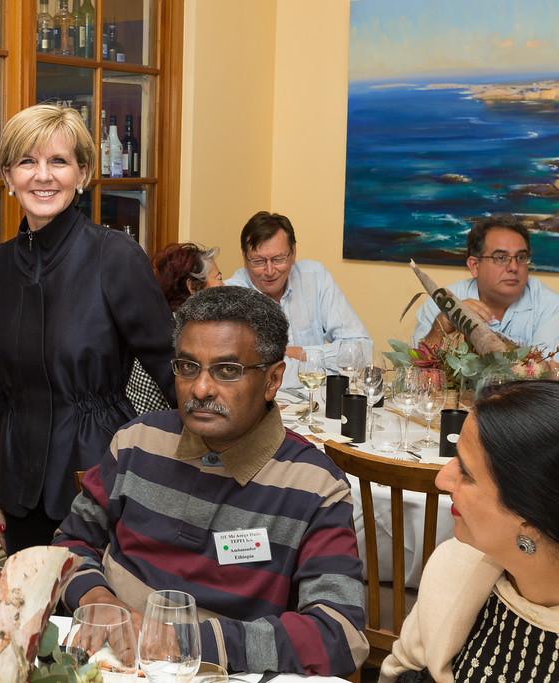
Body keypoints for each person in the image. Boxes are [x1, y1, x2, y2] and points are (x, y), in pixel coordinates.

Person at [54, 286, 368, 676]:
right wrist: (96, 597)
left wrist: (183, 640)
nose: (200, 388)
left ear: (273, 380)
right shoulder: (136, 442)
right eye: (188, 367)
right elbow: (69, 544)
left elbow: (338, 634)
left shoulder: (314, 486)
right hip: (108, 662)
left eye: (227, 370)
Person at [0, 103, 176, 554]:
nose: (42, 176)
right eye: (27, 161)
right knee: (32, 615)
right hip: (20, 477)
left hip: (99, 469)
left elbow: (173, 369)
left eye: (59, 161)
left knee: (96, 616)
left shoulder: (116, 256)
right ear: (9, 177)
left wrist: (188, 467)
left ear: (82, 173)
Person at [381, 380, 559, 682]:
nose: (442, 479)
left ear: (529, 516)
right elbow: (400, 669)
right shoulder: (455, 565)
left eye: (465, 471)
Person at [226, 211, 370, 388]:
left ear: (293, 253)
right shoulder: (233, 293)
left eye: (278, 259)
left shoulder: (315, 277)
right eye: (258, 261)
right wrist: (326, 365)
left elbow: (362, 350)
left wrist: (304, 354)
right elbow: (246, 374)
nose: (270, 271)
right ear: (244, 258)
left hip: (317, 405)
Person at [413, 214, 559, 353]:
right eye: (501, 258)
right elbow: (413, 369)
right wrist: (443, 324)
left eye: (521, 257)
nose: (514, 267)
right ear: (475, 266)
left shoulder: (550, 306)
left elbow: (546, 370)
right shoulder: (442, 303)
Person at [126, 242, 223, 414]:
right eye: (219, 278)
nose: (224, 286)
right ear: (193, 287)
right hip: (159, 431)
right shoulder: (184, 333)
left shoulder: (165, 320)